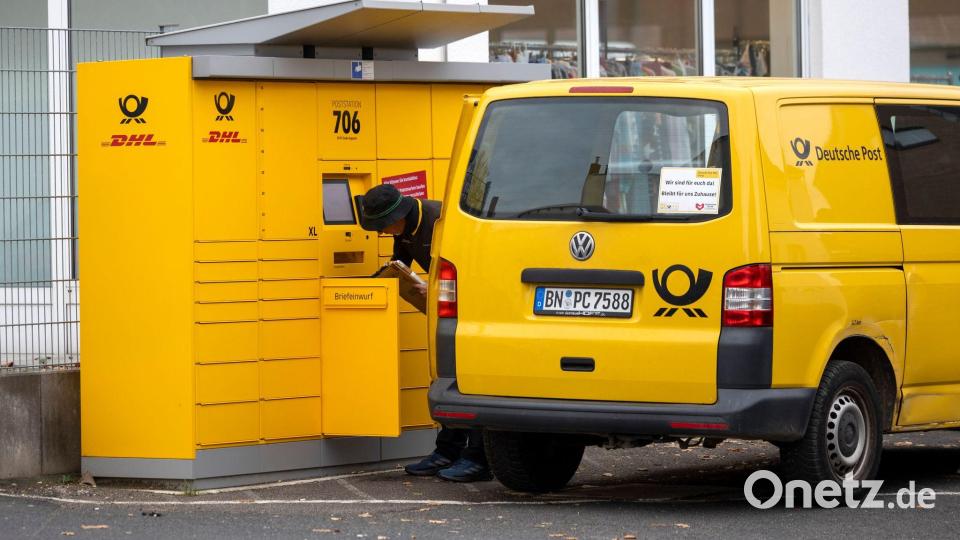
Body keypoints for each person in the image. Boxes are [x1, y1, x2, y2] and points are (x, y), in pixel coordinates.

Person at [360, 184, 492, 483]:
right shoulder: (403, 231)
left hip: (474, 311)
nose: (382, 232)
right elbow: (401, 265)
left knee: (470, 381)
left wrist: (431, 287)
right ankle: (447, 451)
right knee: (446, 381)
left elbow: (473, 268)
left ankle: (478, 458)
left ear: (400, 214)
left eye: (383, 226)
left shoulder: (442, 221)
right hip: (446, 310)